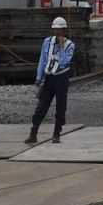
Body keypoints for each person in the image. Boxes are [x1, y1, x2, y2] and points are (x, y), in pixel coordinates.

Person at [25, 16, 76, 144]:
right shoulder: (47, 42)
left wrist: (62, 46)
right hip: (49, 78)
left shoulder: (70, 45)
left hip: (61, 79)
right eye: (55, 29)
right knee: (41, 106)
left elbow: (64, 61)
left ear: (64, 30)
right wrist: (38, 77)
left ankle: (56, 134)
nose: (57, 32)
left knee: (60, 107)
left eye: (60, 30)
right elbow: (43, 60)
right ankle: (33, 133)